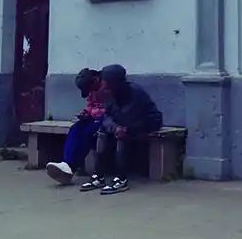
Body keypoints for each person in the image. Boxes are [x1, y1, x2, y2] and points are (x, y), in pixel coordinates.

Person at [80, 63, 163, 195]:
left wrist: (117, 126)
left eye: (105, 82)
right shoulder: (110, 93)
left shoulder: (135, 93)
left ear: (114, 82)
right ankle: (98, 176)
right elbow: (106, 116)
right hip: (124, 123)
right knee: (103, 130)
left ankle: (121, 179)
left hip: (146, 122)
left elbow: (127, 119)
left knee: (122, 134)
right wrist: (114, 126)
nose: (102, 85)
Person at [44, 68, 109, 184]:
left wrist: (93, 113)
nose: (90, 92)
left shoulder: (108, 85)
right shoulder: (92, 89)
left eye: (89, 89)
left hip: (109, 119)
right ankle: (66, 163)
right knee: (75, 129)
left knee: (88, 133)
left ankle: (71, 168)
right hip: (95, 117)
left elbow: (111, 109)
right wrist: (86, 112)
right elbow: (91, 104)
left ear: (95, 80)